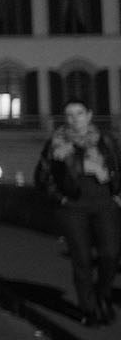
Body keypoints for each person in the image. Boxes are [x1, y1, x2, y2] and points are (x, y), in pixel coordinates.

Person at [34, 97, 120, 325]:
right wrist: (60, 198)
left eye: (79, 114)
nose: (74, 119)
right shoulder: (56, 143)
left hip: (104, 204)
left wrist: (116, 191)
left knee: (110, 255)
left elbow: (117, 165)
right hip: (73, 207)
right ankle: (88, 309)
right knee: (82, 259)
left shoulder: (105, 139)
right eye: (69, 115)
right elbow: (42, 177)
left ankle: (103, 294)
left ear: (89, 115)